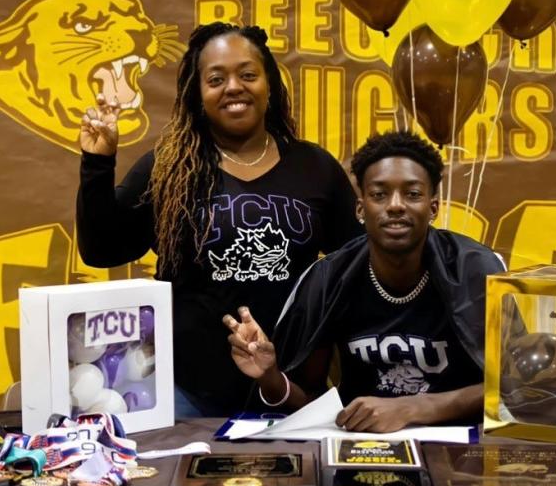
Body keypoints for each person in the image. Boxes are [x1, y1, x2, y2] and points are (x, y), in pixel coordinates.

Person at [77, 22, 361, 417]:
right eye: (216, 79)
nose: (233, 87)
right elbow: (102, 249)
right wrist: (98, 162)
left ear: (270, 85)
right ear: (198, 93)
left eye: (248, 75)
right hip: (187, 393)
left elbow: (356, 266)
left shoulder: (314, 168)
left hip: (292, 391)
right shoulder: (168, 168)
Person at [224, 130, 505, 432]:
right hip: (360, 443)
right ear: (360, 209)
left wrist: (417, 407)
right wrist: (271, 377)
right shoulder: (329, 277)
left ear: (433, 208)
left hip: (460, 442)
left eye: (412, 194)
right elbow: (311, 401)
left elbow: (516, 388)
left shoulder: (477, 271)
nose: (396, 205)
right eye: (379, 194)